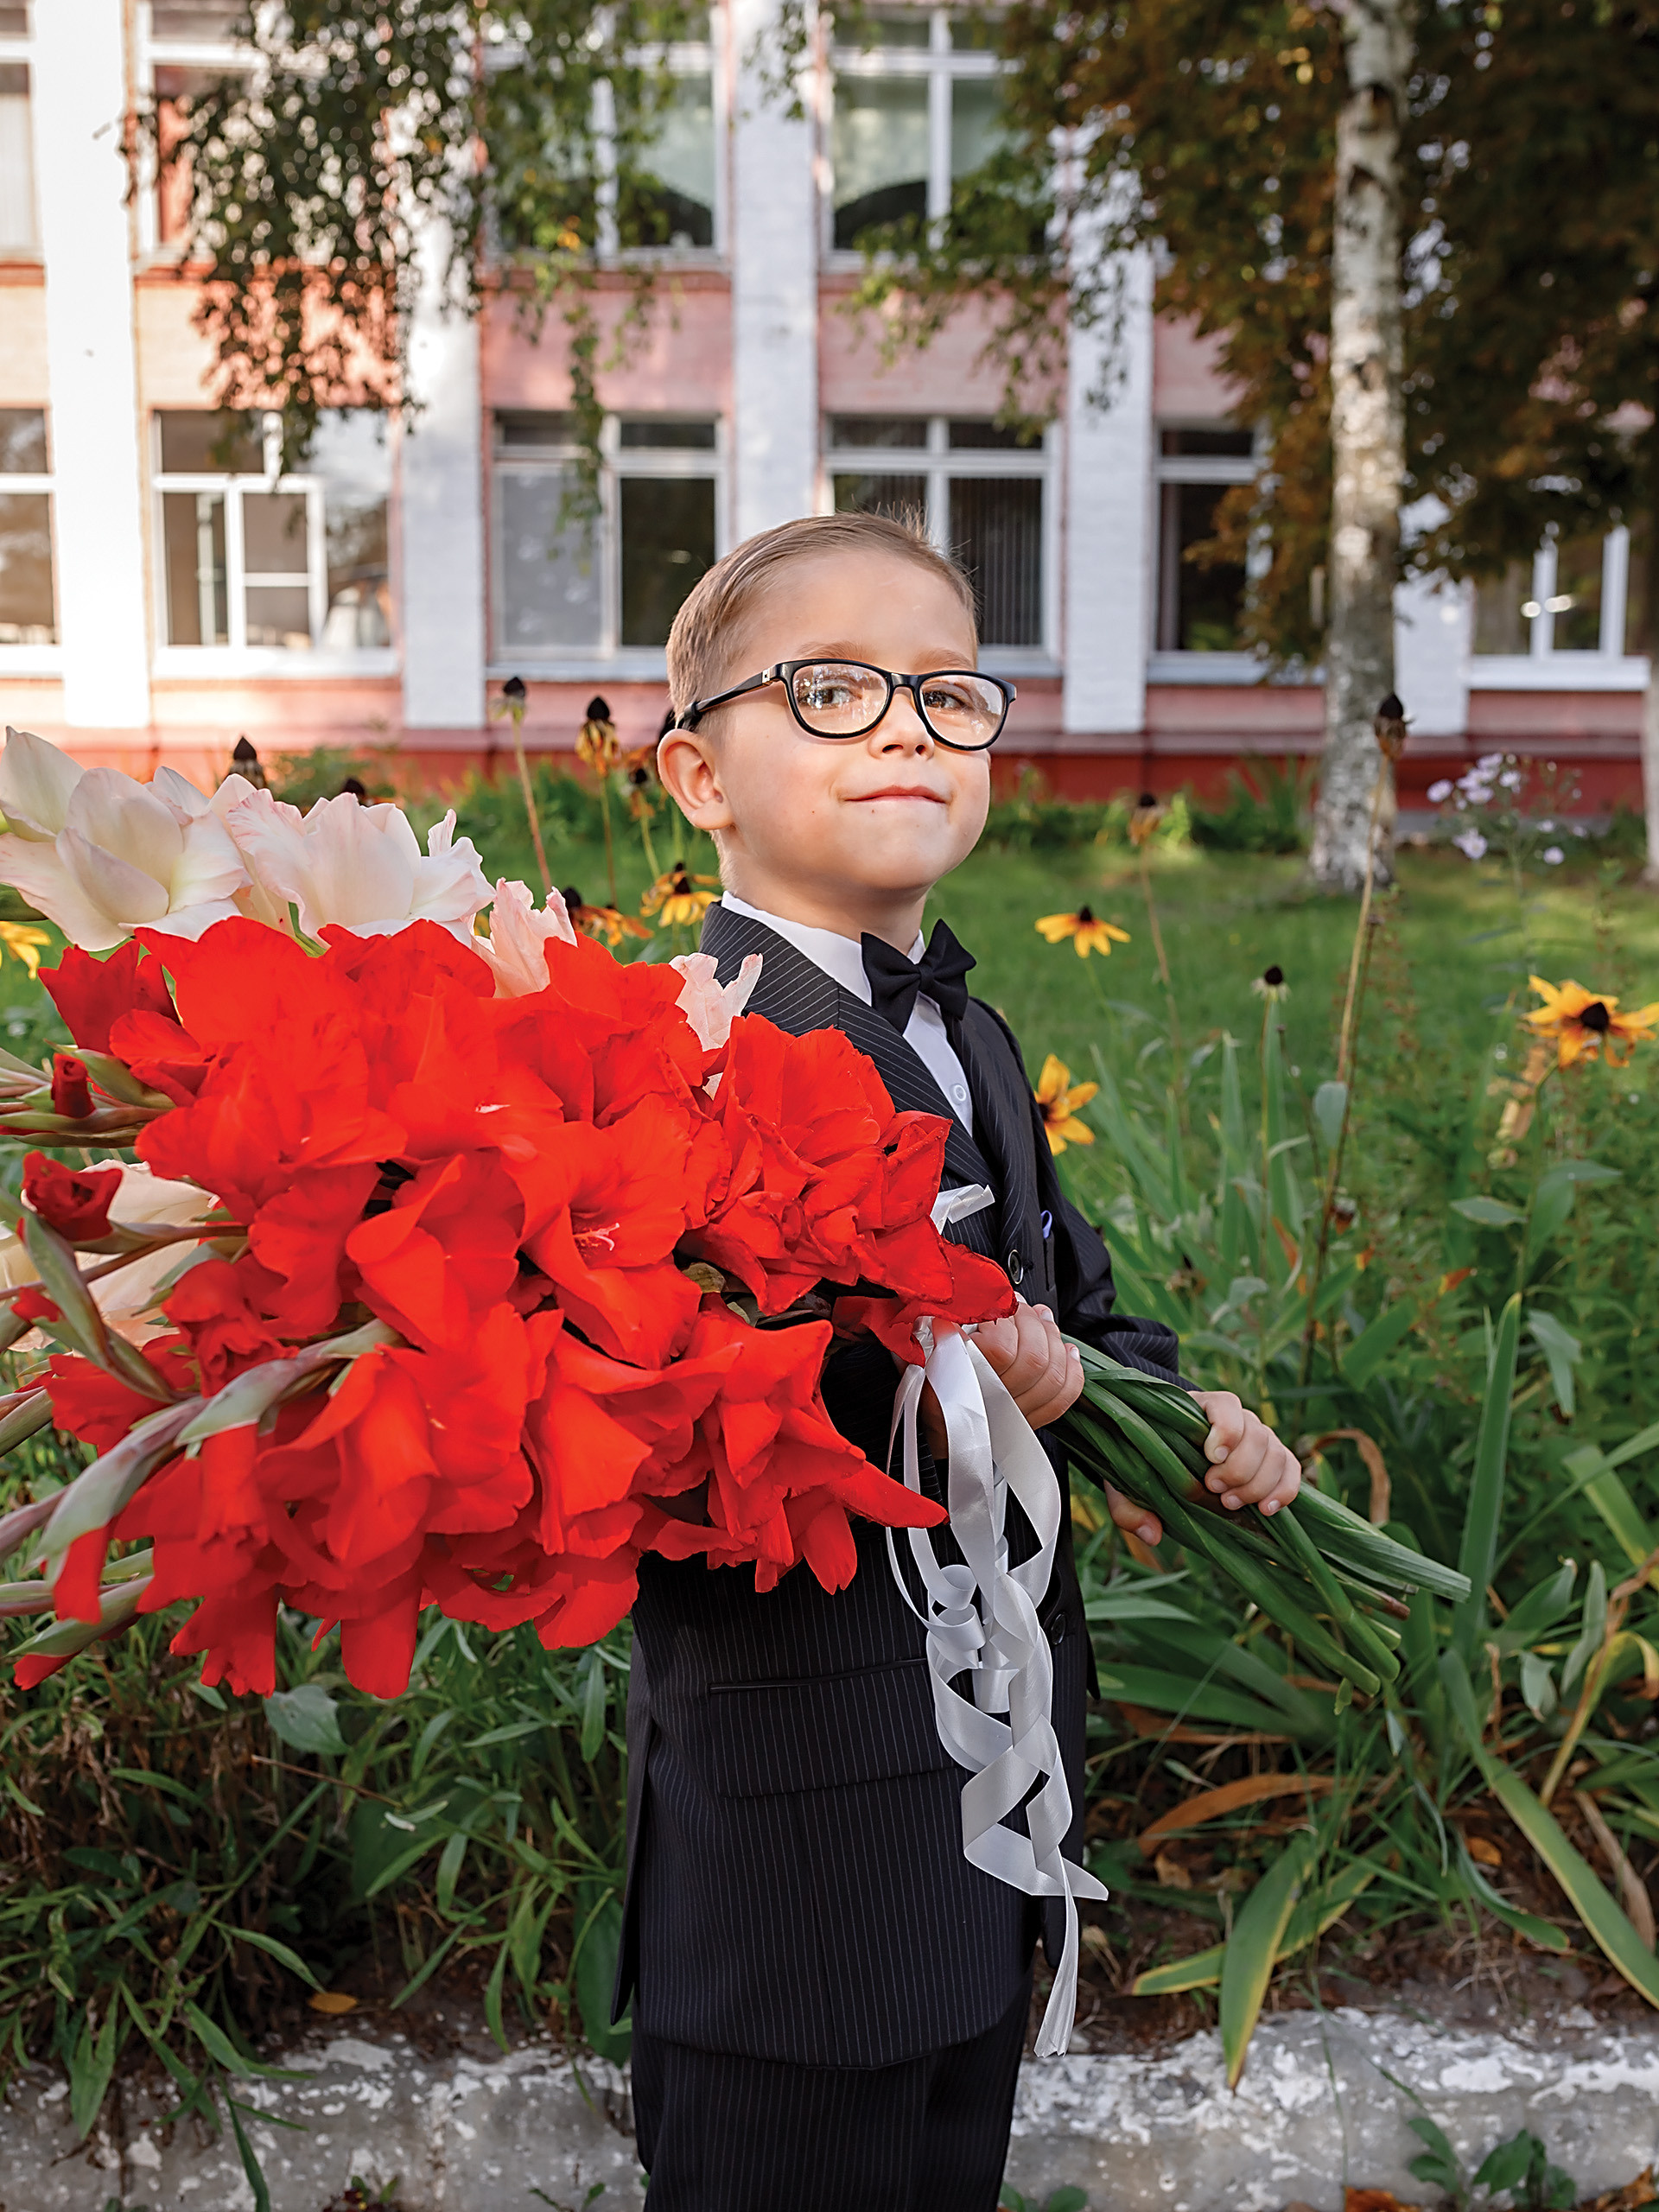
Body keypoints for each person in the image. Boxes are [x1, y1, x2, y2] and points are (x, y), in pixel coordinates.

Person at [620, 511, 1300, 2211]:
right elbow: (666, 1404)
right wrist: (956, 1380)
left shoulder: (972, 1033)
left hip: (992, 1798)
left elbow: (1064, 1287)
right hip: (796, 1845)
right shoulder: (666, 1052)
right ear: (700, 777)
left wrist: (1171, 1416)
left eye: (946, 691)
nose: (907, 728)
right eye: (834, 690)